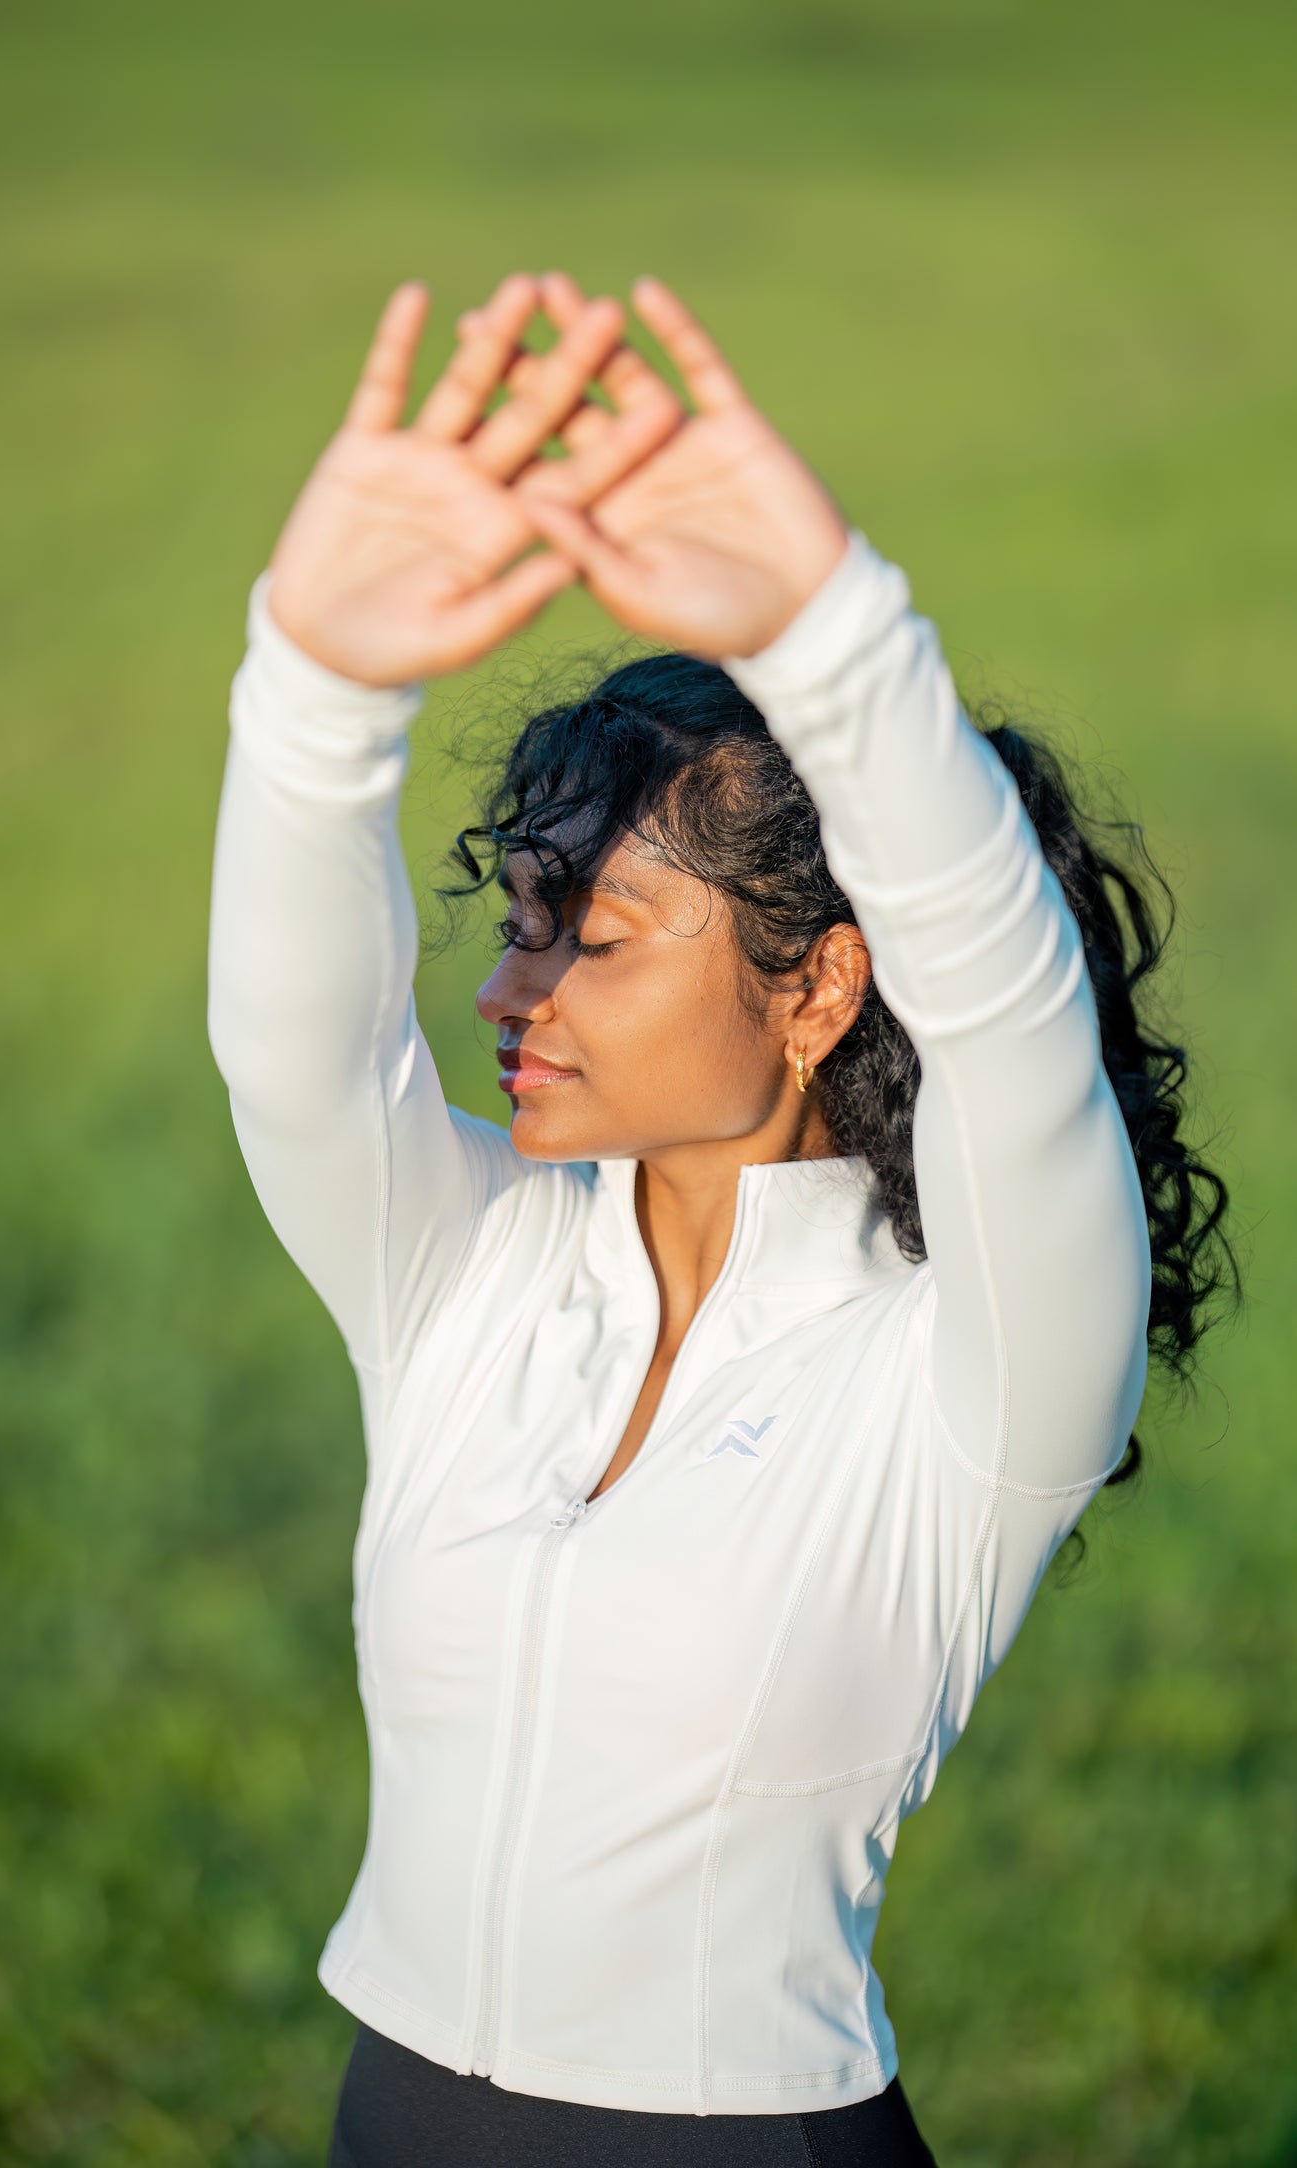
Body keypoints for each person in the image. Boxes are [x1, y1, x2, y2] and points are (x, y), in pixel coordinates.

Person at [206, 271, 1233, 2168]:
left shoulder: (978, 1375)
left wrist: (839, 649)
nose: (513, 996)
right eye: (517, 926)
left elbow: (1014, 1040)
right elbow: (293, 1058)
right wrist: (317, 683)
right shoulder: (471, 1270)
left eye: (593, 941)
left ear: (820, 985)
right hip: (391, 2116)